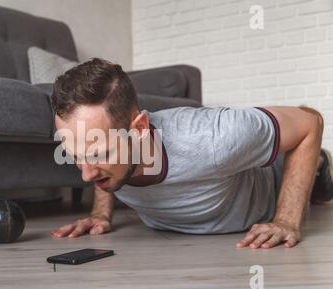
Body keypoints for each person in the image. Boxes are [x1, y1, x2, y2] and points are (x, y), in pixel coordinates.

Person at [50, 58, 332, 249]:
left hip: (268, 185)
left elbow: (310, 121)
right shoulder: (105, 150)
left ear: (139, 129)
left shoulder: (215, 137)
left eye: (100, 155)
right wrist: (101, 213)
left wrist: (286, 220)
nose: (86, 174)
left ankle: (321, 161)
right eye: (75, 155)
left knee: (320, 185)